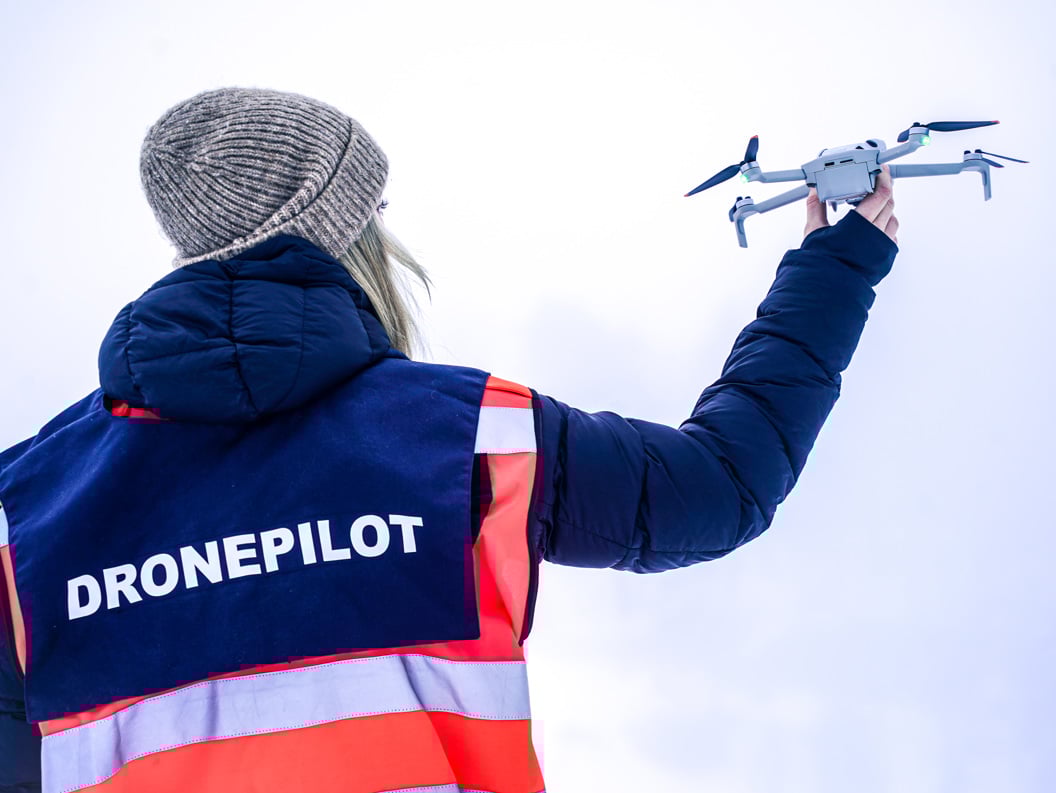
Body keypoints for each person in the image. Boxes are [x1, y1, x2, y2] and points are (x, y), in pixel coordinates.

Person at [0, 87, 898, 793]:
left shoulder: (26, 513)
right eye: (375, 203)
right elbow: (723, 484)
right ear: (344, 232)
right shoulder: (467, 435)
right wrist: (835, 266)